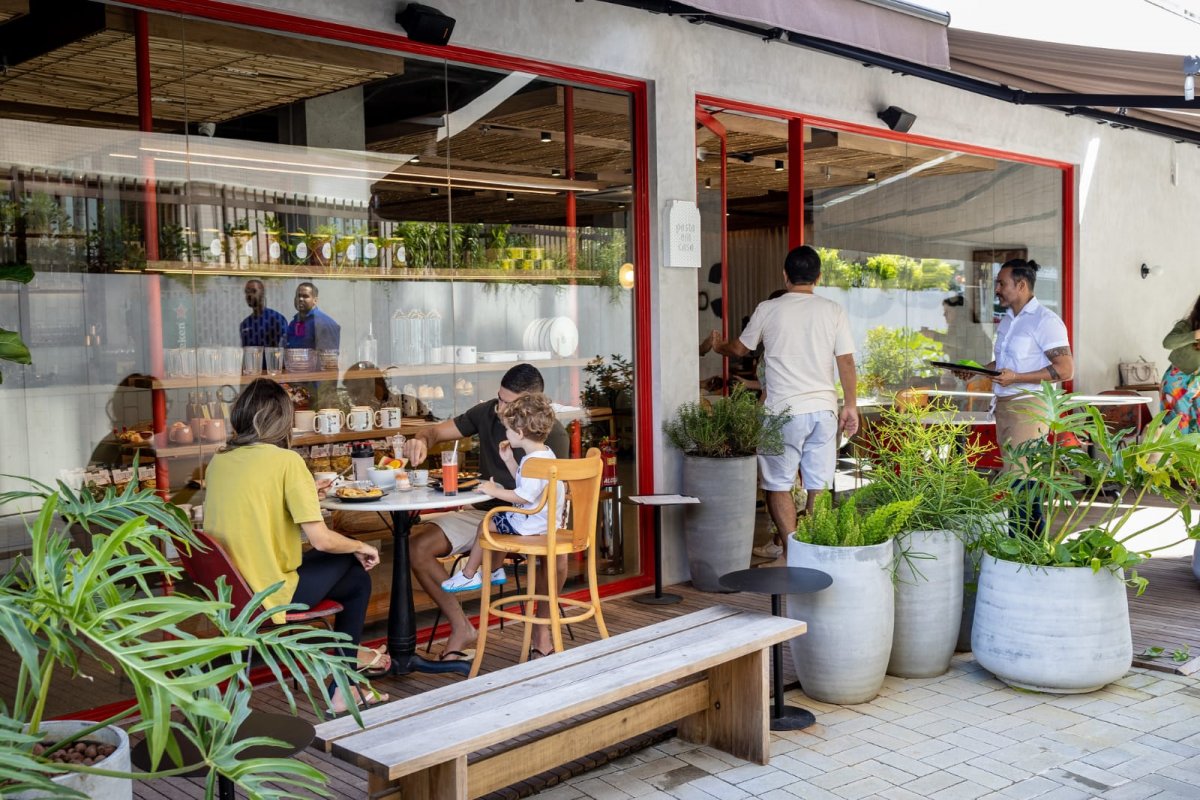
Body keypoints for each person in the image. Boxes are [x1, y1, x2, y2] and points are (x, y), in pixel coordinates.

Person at [203, 378, 384, 714]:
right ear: (283, 420)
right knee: (355, 568)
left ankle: (346, 683)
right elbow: (321, 540)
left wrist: (302, 495)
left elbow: (253, 509)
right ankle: (342, 688)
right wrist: (361, 544)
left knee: (352, 575)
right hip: (268, 594)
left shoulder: (219, 461)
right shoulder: (287, 462)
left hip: (230, 592)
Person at [403, 364, 569, 662]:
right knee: (417, 547)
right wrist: (421, 440)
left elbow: (552, 498)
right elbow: (434, 431)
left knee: (556, 555)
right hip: (483, 514)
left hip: (529, 518)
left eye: (509, 403)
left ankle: (542, 631)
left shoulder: (552, 435)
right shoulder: (487, 412)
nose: (499, 407)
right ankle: (462, 627)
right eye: (499, 398)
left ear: (532, 407)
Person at [712, 245, 858, 560]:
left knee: (777, 484)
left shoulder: (769, 308)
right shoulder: (833, 310)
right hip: (822, 410)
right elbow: (846, 361)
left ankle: (794, 551)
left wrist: (718, 347)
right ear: (819, 277)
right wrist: (851, 405)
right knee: (819, 484)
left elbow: (739, 349)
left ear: (785, 275)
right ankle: (816, 549)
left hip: (782, 413)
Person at [440, 393, 563, 599]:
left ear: (520, 433)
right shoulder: (545, 455)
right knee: (499, 522)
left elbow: (523, 497)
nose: (505, 433)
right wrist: (509, 461)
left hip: (530, 525)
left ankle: (469, 574)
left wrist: (493, 491)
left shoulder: (534, 462)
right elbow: (529, 484)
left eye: (508, 429)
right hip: (545, 522)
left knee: (486, 524)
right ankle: (496, 571)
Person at [956, 259, 1073, 459]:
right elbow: (1005, 366)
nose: (996, 289)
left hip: (1029, 406)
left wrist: (1016, 377)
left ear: (1021, 286)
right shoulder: (1007, 320)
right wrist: (978, 371)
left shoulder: (1046, 321)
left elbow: (1065, 370)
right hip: (1003, 405)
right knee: (1012, 478)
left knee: (1022, 478)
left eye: (1002, 284)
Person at [1160, 295, 1200, 432]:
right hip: (1178, 382)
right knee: (1176, 428)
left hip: (1198, 385)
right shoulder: (1187, 325)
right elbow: (1168, 343)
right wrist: (1195, 335)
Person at [922, 294, 994, 366]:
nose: (944, 314)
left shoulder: (971, 327)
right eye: (944, 311)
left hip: (973, 372)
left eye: (948, 311)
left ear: (960, 312)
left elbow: (962, 343)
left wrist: (936, 336)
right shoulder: (955, 328)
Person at [286, 281, 341, 352]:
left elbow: (329, 358)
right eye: (298, 296)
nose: (300, 299)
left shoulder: (324, 323)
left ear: (315, 300)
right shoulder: (294, 322)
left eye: (305, 296)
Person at [239, 279, 287, 348]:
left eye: (254, 291)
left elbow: (285, 347)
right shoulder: (244, 324)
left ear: (262, 293)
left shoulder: (277, 319)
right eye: (247, 292)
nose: (249, 295)